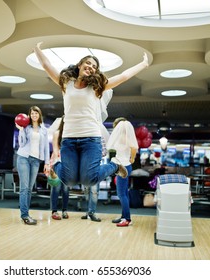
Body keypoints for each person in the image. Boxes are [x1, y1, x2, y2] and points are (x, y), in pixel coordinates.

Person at [33, 42, 149, 195]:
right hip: (69, 139)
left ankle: (114, 165)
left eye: (94, 66)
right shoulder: (66, 84)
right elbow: (46, 64)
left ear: (95, 72)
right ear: (80, 65)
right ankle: (56, 165)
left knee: (89, 180)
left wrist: (144, 64)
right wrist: (36, 48)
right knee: (69, 181)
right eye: (88, 63)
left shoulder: (97, 87)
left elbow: (123, 76)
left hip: (91, 139)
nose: (91, 67)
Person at [16, 106, 50, 225]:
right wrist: (20, 130)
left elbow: (46, 148)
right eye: (32, 113)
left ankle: (26, 213)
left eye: (36, 113)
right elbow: (21, 143)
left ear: (39, 115)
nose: (34, 115)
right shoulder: (26, 128)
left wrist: (47, 163)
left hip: (36, 161)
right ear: (29, 115)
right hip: (24, 158)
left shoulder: (44, 130)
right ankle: (25, 215)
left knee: (30, 189)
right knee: (24, 188)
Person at [107, 117, 138, 227]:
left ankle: (127, 219)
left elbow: (110, 148)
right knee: (124, 193)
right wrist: (132, 159)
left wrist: (132, 158)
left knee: (121, 194)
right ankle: (124, 215)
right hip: (127, 166)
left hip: (122, 167)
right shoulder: (128, 137)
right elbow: (134, 148)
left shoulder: (120, 137)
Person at [49, 116, 69, 220]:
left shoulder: (72, 134)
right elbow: (55, 150)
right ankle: (54, 211)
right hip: (58, 162)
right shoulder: (57, 133)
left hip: (69, 165)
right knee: (56, 188)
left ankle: (65, 210)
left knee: (65, 189)